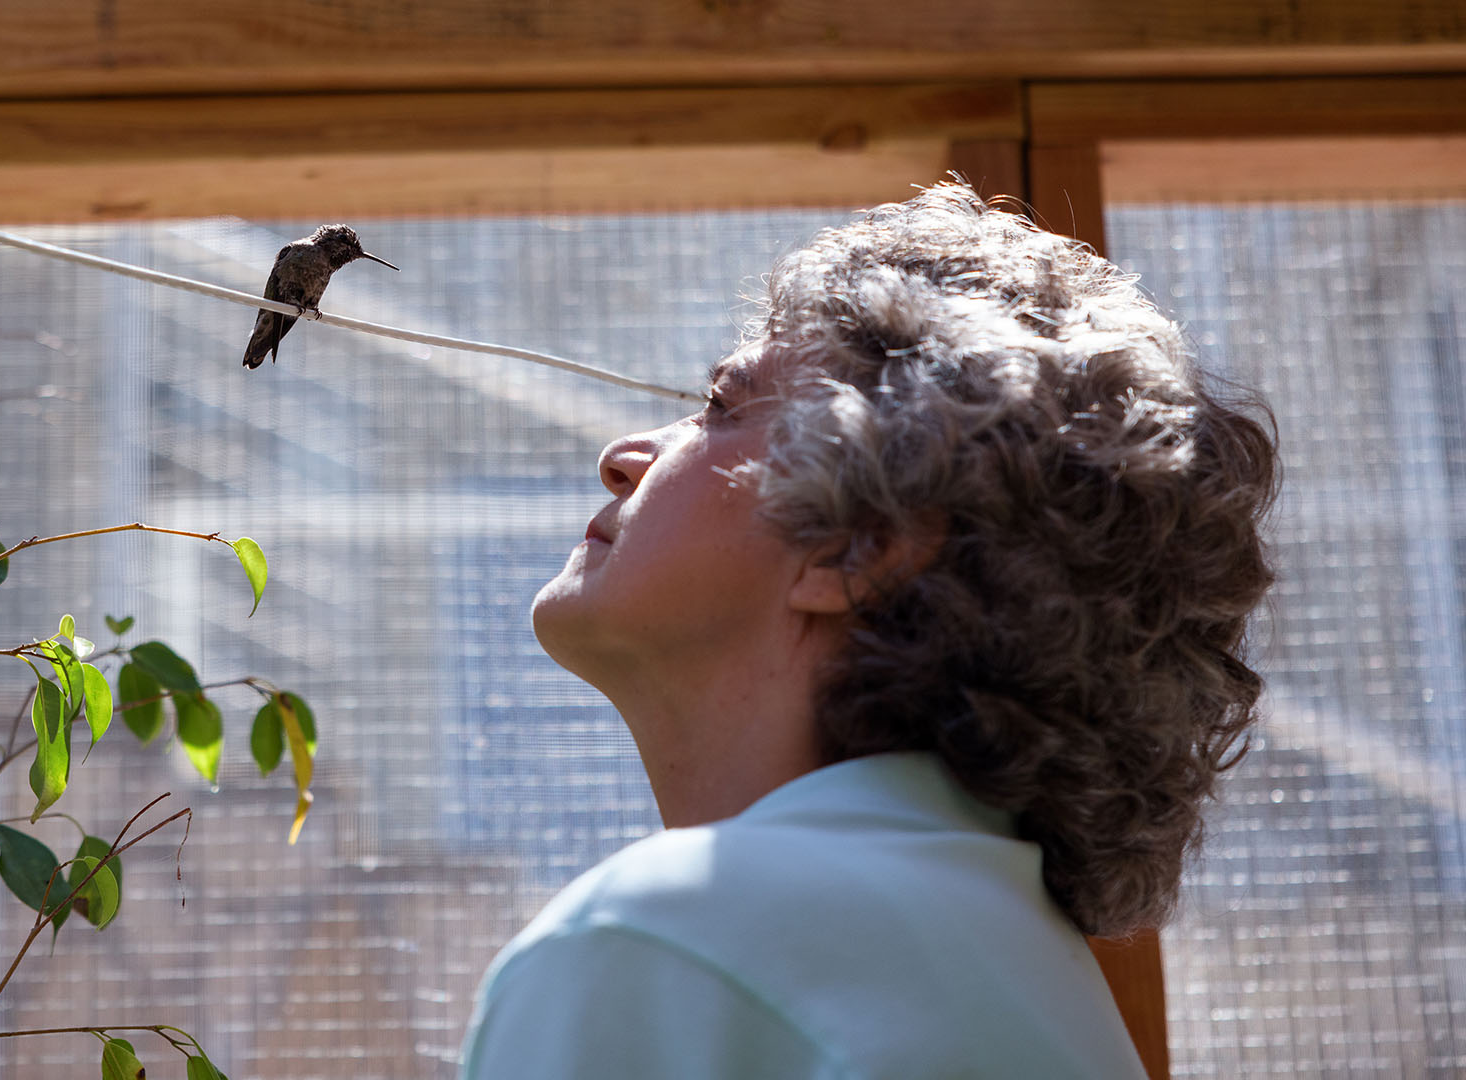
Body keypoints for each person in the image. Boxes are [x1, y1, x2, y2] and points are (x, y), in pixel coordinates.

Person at [458, 182, 1279, 1078]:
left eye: (723, 405)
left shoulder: (665, 943)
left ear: (857, 547)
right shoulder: (1044, 988)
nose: (621, 459)